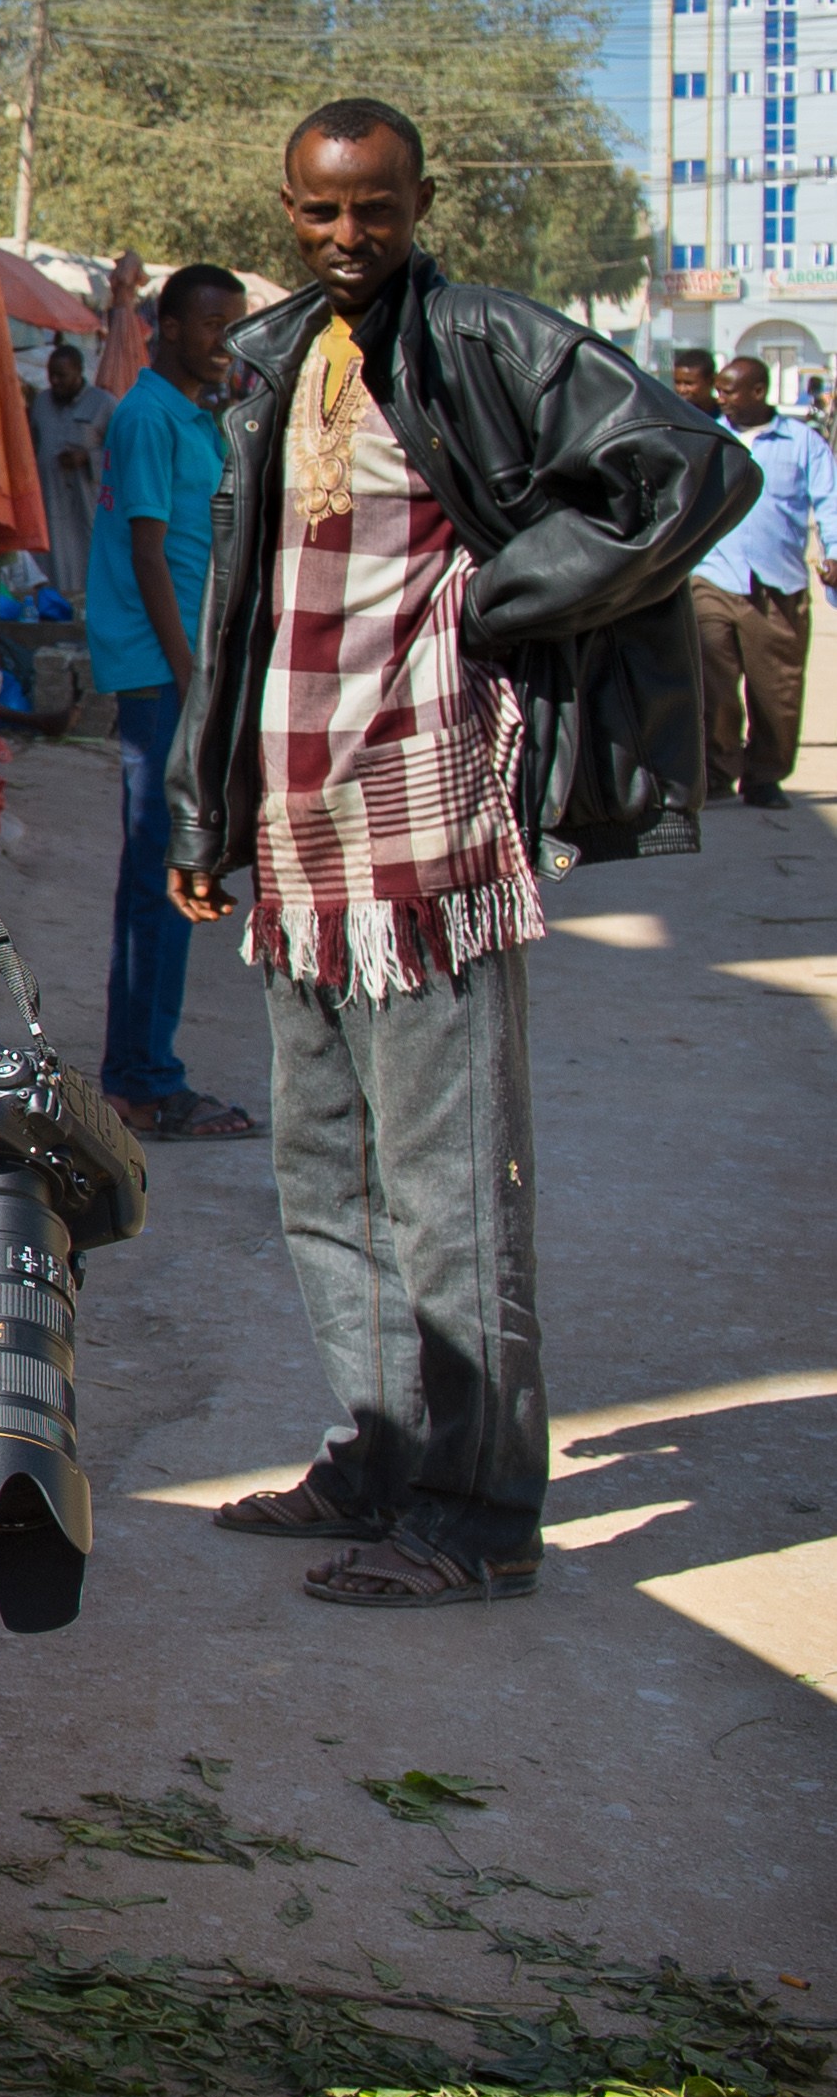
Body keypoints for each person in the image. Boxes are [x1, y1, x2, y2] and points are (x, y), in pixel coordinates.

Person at [178, 101, 754, 1611]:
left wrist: (513, 592)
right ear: (286, 209)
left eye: (375, 209)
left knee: (449, 1193)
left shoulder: (490, 338)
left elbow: (694, 465)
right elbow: (250, 608)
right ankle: (372, 1454)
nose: (348, 237)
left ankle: (480, 1512)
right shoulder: (276, 363)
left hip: (430, 829)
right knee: (323, 1177)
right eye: (321, 212)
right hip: (301, 842)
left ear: (423, 201)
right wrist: (208, 811)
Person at [84, 266, 258, 1141]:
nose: (228, 342)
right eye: (215, 326)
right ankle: (145, 1081)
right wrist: (194, 677)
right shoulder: (151, 416)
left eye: (235, 327)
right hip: (164, 676)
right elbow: (149, 555)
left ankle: (139, 1069)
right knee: (168, 875)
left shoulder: (199, 420)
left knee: (167, 874)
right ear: (169, 328)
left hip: (183, 670)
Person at [692, 354, 833, 809]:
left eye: (730, 391)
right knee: (713, 682)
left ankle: (766, 775)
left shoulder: (803, 442)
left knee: (777, 690)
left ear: (758, 391)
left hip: (778, 586)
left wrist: (834, 554)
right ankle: (717, 769)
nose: (722, 399)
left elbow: (829, 502)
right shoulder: (711, 438)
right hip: (713, 578)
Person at [24, 336, 110, 614]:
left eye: (62, 375)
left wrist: (88, 458)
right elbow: (32, 444)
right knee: (51, 565)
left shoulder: (104, 404)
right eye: (52, 376)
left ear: (79, 371)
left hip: (88, 504)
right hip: (51, 500)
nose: (55, 382)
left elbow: (123, 454)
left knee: (90, 563)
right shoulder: (41, 403)